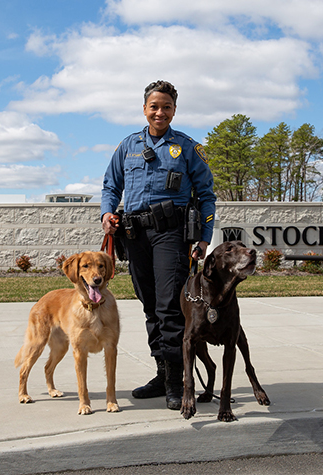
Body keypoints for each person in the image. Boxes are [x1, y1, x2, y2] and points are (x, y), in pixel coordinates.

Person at [101, 80, 217, 410]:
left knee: (169, 307)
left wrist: (204, 238)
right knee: (150, 306)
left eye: (166, 106)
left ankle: (178, 382)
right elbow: (111, 186)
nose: (160, 112)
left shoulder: (188, 147)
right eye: (154, 106)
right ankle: (161, 372)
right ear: (144, 109)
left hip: (170, 234)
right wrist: (107, 213)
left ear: (174, 110)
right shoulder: (128, 146)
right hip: (135, 235)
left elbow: (207, 194)